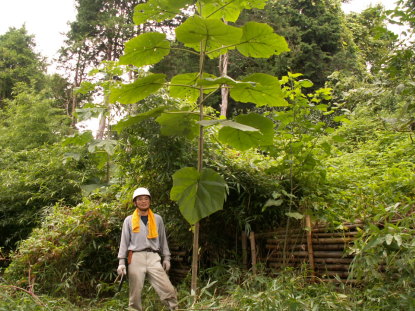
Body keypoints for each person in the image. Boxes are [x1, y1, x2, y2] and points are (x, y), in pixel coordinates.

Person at [117, 187, 178, 311]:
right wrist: (121, 263)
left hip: (153, 257)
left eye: (146, 199)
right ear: (135, 202)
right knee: (135, 294)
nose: (143, 201)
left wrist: (166, 258)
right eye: (140, 199)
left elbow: (163, 240)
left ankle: (174, 308)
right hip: (135, 257)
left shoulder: (157, 219)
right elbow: (124, 242)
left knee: (168, 289)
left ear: (149, 201)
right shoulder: (129, 220)